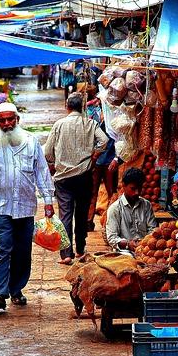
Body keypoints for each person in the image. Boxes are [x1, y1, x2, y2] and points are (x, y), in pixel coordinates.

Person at [0, 102, 55, 310]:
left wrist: (48, 201)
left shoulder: (32, 142)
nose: (7, 124)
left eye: (10, 119)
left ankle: (16, 289)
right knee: (3, 247)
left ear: (17, 120)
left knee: (22, 250)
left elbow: (42, 172)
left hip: (25, 206)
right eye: (2, 120)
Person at [44, 92, 108, 265]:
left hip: (63, 178)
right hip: (84, 176)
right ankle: (80, 249)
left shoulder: (59, 125)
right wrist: (94, 156)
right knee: (81, 214)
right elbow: (104, 141)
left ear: (67, 106)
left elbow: (47, 152)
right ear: (82, 107)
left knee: (65, 215)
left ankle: (66, 254)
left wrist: (53, 163)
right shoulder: (90, 123)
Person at [105, 168, 158, 253]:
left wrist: (145, 243)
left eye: (139, 188)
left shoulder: (146, 205)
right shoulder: (115, 208)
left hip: (145, 250)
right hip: (124, 253)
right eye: (133, 189)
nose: (137, 192)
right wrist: (128, 244)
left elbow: (153, 229)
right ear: (123, 185)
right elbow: (112, 238)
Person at [86, 97, 119, 232]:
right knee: (110, 193)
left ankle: (98, 222)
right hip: (105, 159)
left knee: (97, 192)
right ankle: (103, 222)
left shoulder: (94, 114)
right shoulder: (114, 116)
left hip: (100, 159)